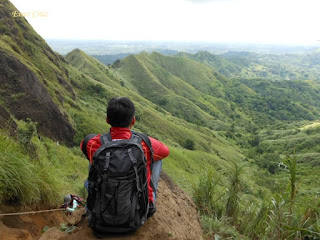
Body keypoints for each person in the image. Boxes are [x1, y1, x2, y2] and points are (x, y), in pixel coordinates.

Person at [80, 96, 169, 217]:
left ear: (107, 120)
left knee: (95, 157)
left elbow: (83, 146)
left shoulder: (93, 143)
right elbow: (165, 151)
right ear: (133, 120)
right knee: (156, 160)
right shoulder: (144, 144)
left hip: (100, 215)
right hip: (138, 213)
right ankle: (149, 200)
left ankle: (93, 198)